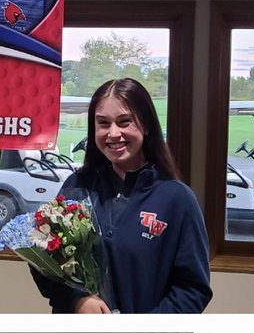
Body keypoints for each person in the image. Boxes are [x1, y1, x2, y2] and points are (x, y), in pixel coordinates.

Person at [32, 78, 212, 314]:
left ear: (146, 125)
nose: (113, 133)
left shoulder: (177, 199)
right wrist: (77, 301)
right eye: (103, 123)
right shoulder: (77, 186)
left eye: (124, 122)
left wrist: (140, 330)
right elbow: (44, 261)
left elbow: (192, 290)